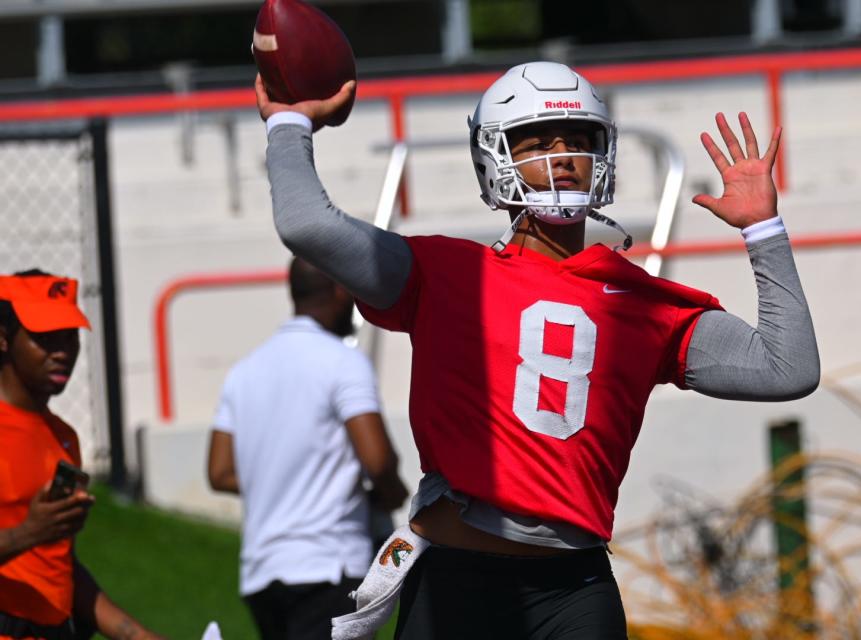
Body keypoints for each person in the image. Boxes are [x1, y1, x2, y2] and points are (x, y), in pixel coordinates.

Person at [255, 60, 819, 640]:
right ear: (496, 157)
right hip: (457, 581)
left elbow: (788, 368)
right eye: (536, 141)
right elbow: (306, 225)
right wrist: (289, 122)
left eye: (578, 139)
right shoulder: (444, 272)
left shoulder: (644, 300)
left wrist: (763, 230)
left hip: (572, 590)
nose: (563, 154)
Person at [207, 257, 408, 640]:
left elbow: (219, 473)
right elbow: (378, 462)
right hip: (328, 564)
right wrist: (391, 495)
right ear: (339, 291)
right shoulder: (344, 363)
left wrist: (281, 482)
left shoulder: (243, 373)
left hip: (261, 573)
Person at [0, 270, 163, 640]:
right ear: (3, 340)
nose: (62, 352)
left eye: (70, 335)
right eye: (45, 337)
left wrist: (135, 635)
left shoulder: (64, 437)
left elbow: (58, 565)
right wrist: (28, 532)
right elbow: (33, 539)